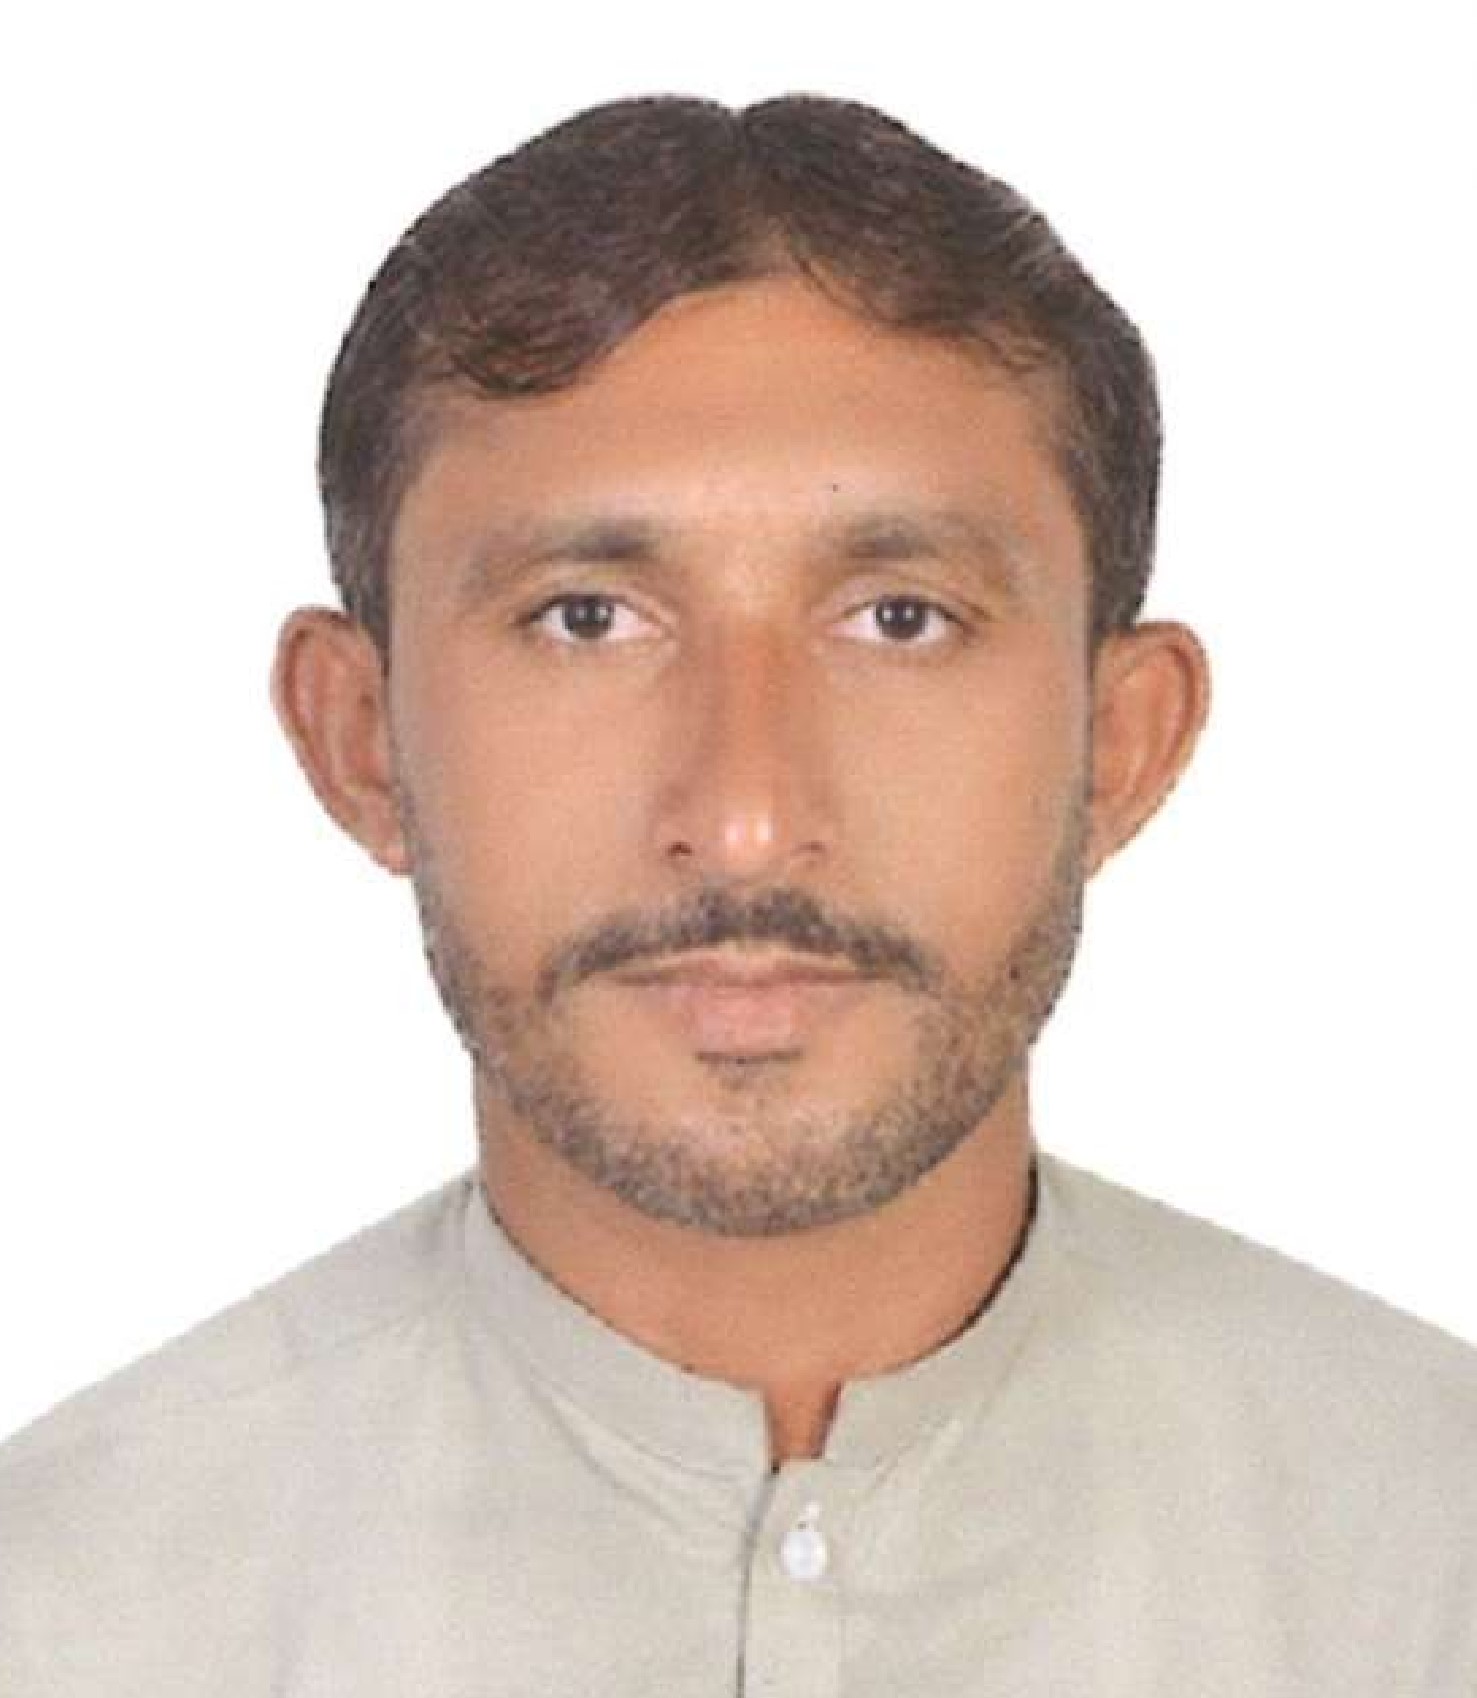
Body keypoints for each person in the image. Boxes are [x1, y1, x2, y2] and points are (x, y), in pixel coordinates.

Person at [1, 92, 1472, 1696]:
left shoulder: (1429, 1554)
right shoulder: (66, 1610)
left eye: (899, 617)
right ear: (362, 739)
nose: (748, 821)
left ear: (1119, 744)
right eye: (584, 618)